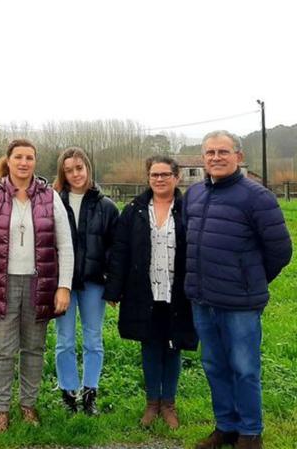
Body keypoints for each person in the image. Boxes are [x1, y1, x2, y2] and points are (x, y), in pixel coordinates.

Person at [185, 131, 291, 449]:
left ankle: (250, 431)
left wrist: (250, 279)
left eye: (223, 152)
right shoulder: (194, 195)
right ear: (203, 158)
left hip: (241, 303)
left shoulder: (257, 198)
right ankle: (226, 427)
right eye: (210, 153)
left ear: (238, 156)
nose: (216, 158)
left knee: (245, 369)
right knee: (214, 365)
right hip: (203, 299)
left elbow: (280, 251)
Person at [0, 139, 73, 434]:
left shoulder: (49, 197)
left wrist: (63, 286)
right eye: (18, 157)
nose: (24, 162)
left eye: (29, 157)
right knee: (1, 350)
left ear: (35, 162)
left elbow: (64, 245)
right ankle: (1, 410)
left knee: (33, 348)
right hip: (1, 283)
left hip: (38, 284)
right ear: (9, 160)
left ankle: (28, 404)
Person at [105, 156, 197, 430]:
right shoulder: (134, 210)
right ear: (148, 178)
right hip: (144, 291)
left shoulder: (188, 210)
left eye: (165, 174)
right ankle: (151, 404)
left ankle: (169, 404)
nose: (159, 179)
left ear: (176, 177)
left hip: (178, 292)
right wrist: (114, 288)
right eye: (154, 174)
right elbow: (120, 251)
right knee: (150, 346)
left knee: (173, 346)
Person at [52, 147, 118, 415]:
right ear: (63, 174)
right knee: (64, 340)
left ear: (88, 168)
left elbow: (115, 250)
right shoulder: (54, 202)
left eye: (79, 168)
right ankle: (69, 393)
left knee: (93, 340)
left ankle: (90, 392)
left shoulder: (107, 207)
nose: (75, 174)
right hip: (63, 284)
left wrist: (112, 284)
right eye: (69, 170)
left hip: (93, 283)